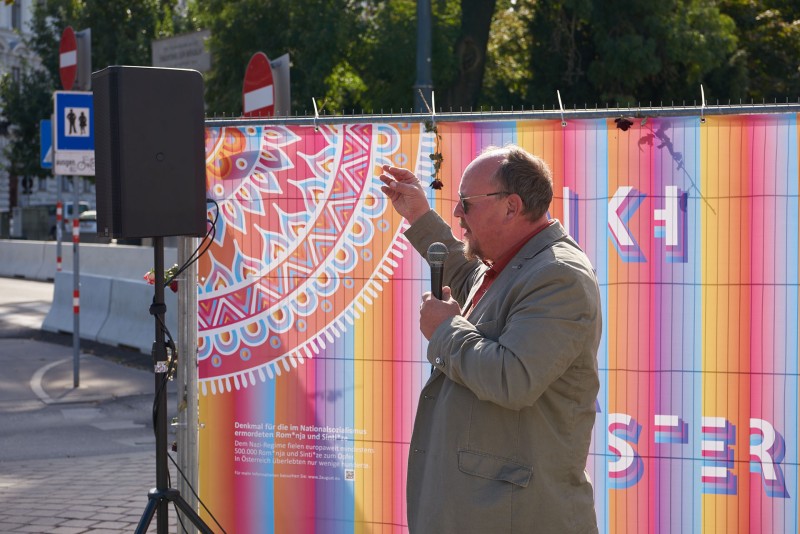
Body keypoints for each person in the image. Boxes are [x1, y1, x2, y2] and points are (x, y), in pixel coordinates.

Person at [379, 144, 601, 533]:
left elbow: (513, 378)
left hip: (519, 517)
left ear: (511, 207)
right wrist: (418, 215)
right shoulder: (513, 262)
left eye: (466, 202)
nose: (457, 212)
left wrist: (445, 330)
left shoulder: (558, 275)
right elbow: (468, 275)